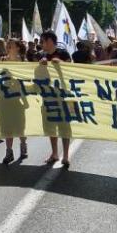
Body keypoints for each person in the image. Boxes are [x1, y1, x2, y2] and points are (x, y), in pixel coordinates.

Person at [39, 30, 72, 167]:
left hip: (63, 95)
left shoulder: (63, 53)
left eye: (42, 41)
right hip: (48, 96)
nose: (41, 44)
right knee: (50, 125)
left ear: (50, 41)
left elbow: (73, 69)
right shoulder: (42, 56)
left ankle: (65, 155)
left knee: (64, 125)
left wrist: (61, 64)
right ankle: (54, 153)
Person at [0, 39, 29, 164]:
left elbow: (25, 82)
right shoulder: (2, 60)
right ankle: (9, 151)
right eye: (8, 45)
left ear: (18, 47)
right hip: (5, 98)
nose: (9, 47)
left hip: (18, 98)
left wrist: (25, 100)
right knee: (7, 127)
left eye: (11, 45)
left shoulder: (23, 62)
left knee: (20, 126)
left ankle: (23, 146)